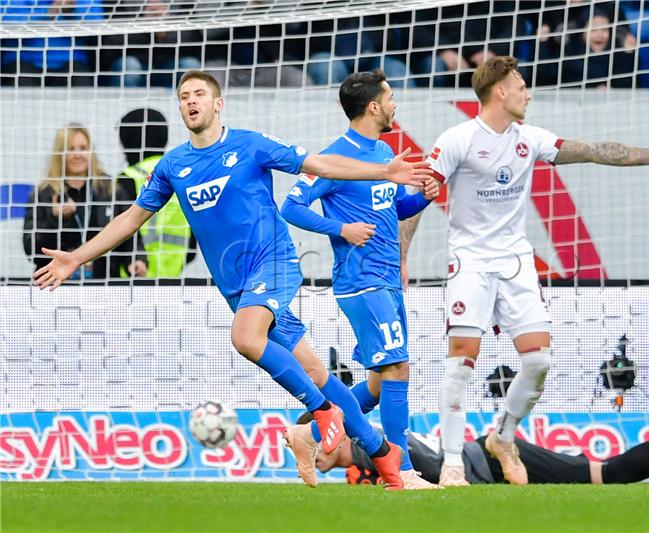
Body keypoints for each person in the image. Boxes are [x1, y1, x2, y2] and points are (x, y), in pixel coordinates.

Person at [31, 71, 433, 490]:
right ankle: (390, 466)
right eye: (184, 96)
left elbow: (320, 163)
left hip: (274, 263)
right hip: (236, 285)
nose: (191, 101)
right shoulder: (174, 165)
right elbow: (132, 218)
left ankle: (321, 412)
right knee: (316, 371)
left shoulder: (250, 145)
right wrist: (75, 257)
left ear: (217, 103)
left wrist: (383, 170)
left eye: (200, 94)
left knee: (245, 337)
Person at [418, 56, 649, 486]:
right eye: (521, 86)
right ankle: (454, 463)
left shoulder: (529, 138)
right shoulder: (458, 139)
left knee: (537, 360)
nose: (527, 93)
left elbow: (594, 151)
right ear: (500, 91)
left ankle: (503, 437)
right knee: (462, 361)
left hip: (515, 262)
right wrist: (401, 259)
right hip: (472, 262)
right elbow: (417, 196)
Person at [281, 70, 440, 489]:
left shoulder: (384, 153)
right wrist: (341, 230)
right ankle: (402, 472)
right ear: (373, 107)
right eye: (389, 98)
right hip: (361, 281)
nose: (394, 105)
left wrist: (421, 195)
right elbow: (292, 206)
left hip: (388, 279)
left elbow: (393, 209)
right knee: (398, 367)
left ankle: (309, 433)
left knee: (377, 380)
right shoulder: (333, 159)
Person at [307, 416, 649, 487]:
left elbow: (425, 465)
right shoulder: (375, 451)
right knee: (606, 474)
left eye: (313, 445)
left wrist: (387, 479)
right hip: (490, 461)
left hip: (493, 460)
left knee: (606, 475)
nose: (312, 456)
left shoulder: (376, 450)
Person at [23, 124, 146, 280]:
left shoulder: (111, 189)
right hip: (57, 285)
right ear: (60, 153)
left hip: (104, 283)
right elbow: (31, 250)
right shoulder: (43, 194)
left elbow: (131, 235)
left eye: (82, 148)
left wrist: (137, 260)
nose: (77, 154)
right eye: (71, 149)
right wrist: (55, 219)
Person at [117, 107, 196, 278]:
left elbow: (117, 232)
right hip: (173, 280)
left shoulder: (129, 178)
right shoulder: (182, 176)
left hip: (132, 279)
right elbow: (192, 245)